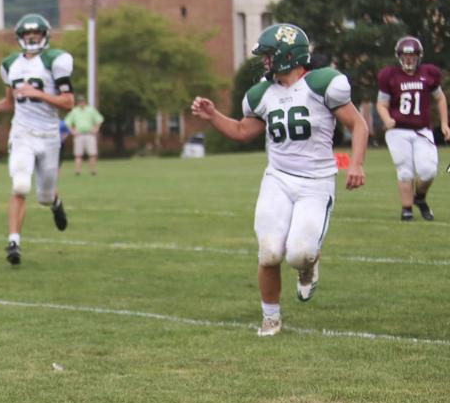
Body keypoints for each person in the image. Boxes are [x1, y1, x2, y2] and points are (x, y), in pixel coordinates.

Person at [191, 23, 367, 336]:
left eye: (270, 55)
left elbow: (359, 125)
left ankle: (308, 267)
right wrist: (214, 116)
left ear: (288, 55)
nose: (265, 61)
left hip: (316, 181)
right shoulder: (263, 93)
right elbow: (243, 131)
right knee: (270, 251)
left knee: (299, 253)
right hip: (278, 179)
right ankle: (270, 317)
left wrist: (356, 164)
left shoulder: (323, 84)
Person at [0, 13, 74, 265]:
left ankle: (54, 202)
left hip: (49, 134)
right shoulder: (10, 64)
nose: (31, 38)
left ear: (45, 36)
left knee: (43, 196)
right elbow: (11, 102)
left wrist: (39, 94)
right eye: (26, 35)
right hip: (22, 132)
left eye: (36, 34)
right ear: (19, 38)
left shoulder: (56, 60)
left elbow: (68, 102)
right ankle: (14, 243)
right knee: (20, 185)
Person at [376, 35, 447, 221]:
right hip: (398, 130)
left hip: (422, 129)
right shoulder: (390, 75)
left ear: (419, 57)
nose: (409, 60)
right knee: (405, 170)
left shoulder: (428, 73)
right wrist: (387, 119)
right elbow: (381, 104)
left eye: (412, 56)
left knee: (428, 170)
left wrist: (445, 123)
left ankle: (420, 198)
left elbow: (440, 98)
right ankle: (406, 209)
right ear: (399, 57)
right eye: (406, 56)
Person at [64, 96, 104, 176]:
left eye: (82, 101)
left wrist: (96, 128)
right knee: (78, 154)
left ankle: (93, 170)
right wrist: (72, 131)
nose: (81, 103)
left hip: (89, 134)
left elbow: (99, 119)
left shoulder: (91, 110)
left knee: (92, 153)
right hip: (79, 135)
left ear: (85, 102)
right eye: (79, 102)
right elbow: (67, 122)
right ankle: (78, 171)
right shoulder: (74, 111)